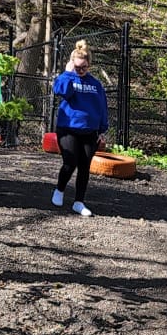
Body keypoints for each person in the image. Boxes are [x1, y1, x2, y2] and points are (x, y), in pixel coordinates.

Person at [51, 40, 109, 216]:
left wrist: (102, 130)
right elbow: (60, 91)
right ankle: (59, 189)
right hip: (68, 128)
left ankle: (79, 202)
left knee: (84, 166)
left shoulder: (96, 84)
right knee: (70, 162)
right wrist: (68, 73)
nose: (81, 70)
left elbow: (102, 107)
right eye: (77, 67)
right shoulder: (68, 78)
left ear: (89, 65)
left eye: (84, 67)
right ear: (72, 64)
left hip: (89, 131)